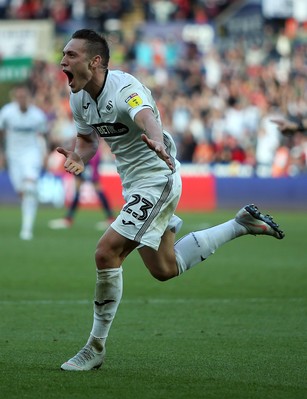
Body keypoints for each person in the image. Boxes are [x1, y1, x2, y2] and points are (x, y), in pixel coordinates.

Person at [58, 29, 285, 371]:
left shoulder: (125, 89)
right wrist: (79, 156)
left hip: (158, 180)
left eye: (71, 55)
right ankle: (240, 225)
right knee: (164, 268)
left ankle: (95, 347)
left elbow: (145, 115)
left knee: (106, 252)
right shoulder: (78, 97)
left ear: (95, 61)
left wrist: (156, 139)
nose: (63, 61)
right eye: (63, 54)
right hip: (134, 185)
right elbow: (87, 139)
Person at [0, 83, 48, 240]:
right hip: (13, 156)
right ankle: (34, 191)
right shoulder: (6, 112)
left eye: (24, 96)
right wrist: (1, 153)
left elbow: (44, 135)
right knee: (22, 191)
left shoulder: (37, 115)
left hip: (31, 154)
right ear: (15, 98)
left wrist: (45, 153)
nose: (22, 99)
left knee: (28, 188)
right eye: (19, 97)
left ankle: (26, 230)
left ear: (29, 98)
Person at [48, 145, 115, 230]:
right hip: (80, 154)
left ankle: (110, 218)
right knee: (78, 189)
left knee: (96, 185)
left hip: (90, 154)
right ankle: (68, 219)